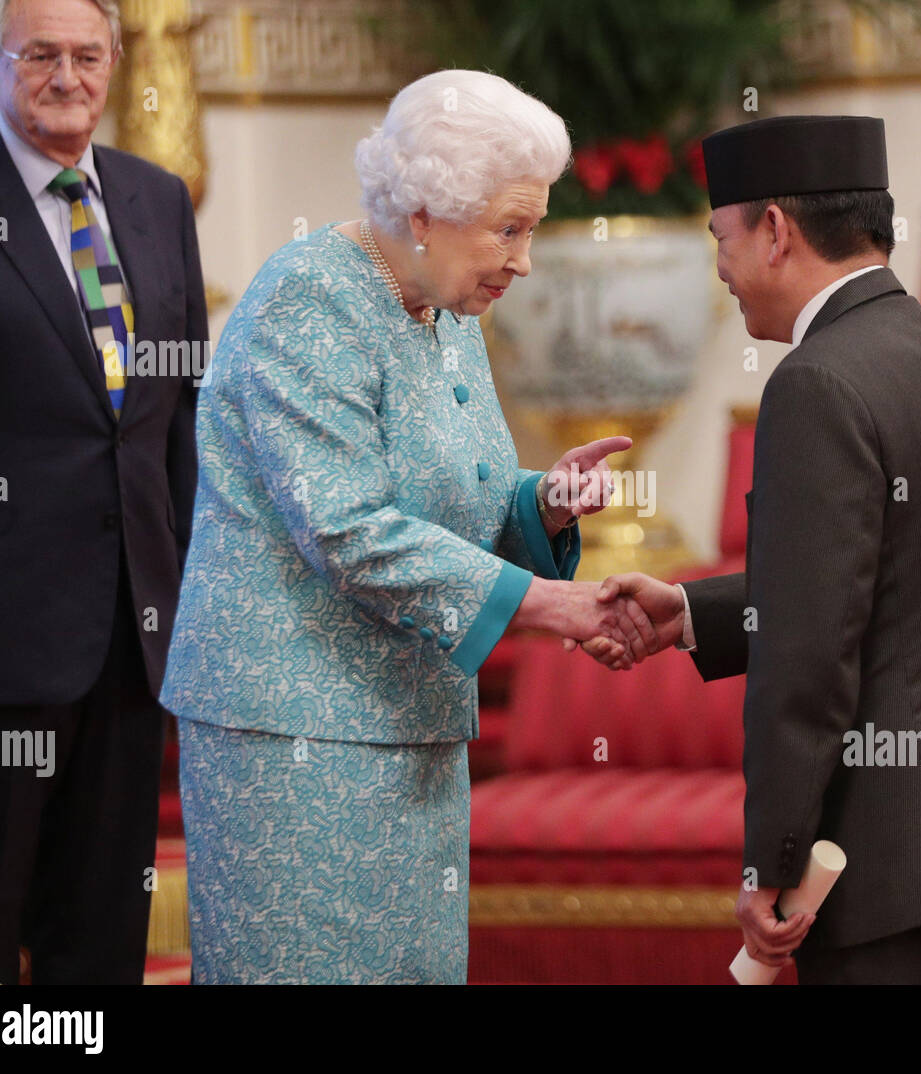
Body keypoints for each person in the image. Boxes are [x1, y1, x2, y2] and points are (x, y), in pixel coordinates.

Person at [158, 69, 653, 985]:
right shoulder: (308, 298)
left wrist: (538, 504)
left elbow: (451, 491)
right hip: (296, 740)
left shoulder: (446, 304)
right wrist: (549, 604)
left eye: (531, 228)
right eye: (510, 228)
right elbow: (346, 524)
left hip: (410, 727)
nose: (525, 259)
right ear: (424, 211)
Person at [591, 115, 921, 984]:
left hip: (895, 864)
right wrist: (698, 612)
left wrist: (772, 861)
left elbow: (811, 658)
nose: (722, 271)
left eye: (722, 238)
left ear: (775, 231)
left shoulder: (815, 383)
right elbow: (894, 575)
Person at [0, 0, 207, 984]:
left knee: (100, 934)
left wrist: (190, 592)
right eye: (41, 55)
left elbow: (175, 413)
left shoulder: (156, 198)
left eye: (88, 56)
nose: (69, 76)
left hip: (133, 630)